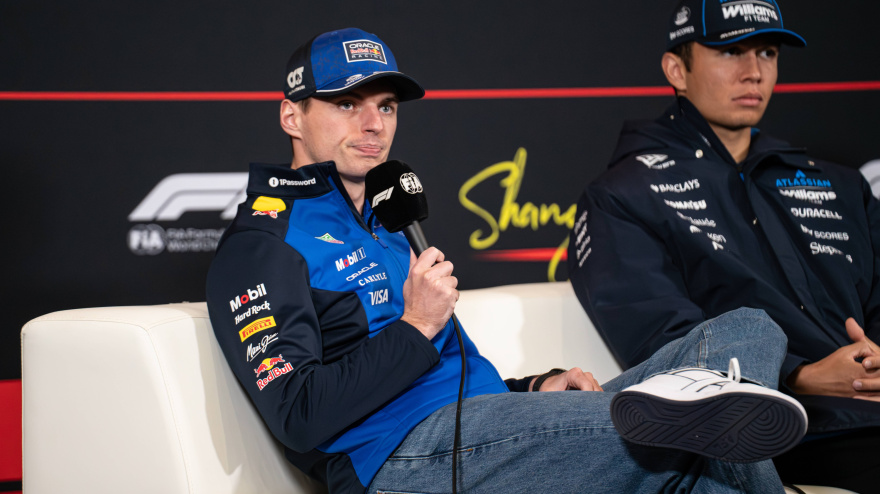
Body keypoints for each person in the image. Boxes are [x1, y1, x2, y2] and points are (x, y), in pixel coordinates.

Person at [206, 27, 807, 494]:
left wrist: (537, 386)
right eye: (347, 103)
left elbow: (448, 370)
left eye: (386, 106)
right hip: (400, 461)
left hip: (491, 422)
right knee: (687, 437)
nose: (372, 124)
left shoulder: (387, 219)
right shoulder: (264, 244)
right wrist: (416, 325)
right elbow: (300, 418)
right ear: (292, 115)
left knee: (748, 330)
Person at [567, 1, 880, 491]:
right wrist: (800, 376)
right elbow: (666, 349)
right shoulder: (622, 196)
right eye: (731, 52)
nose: (754, 72)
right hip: (780, 433)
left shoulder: (839, 185)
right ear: (677, 69)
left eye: (768, 53)